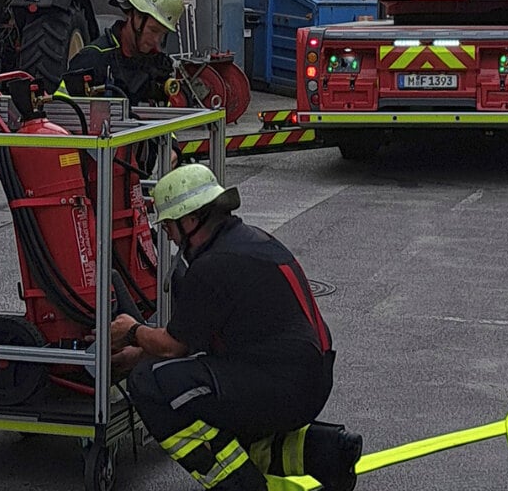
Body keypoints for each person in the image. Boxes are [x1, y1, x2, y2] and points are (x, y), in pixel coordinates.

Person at [109, 164, 362, 491]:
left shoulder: (212, 266)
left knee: (152, 383)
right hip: (308, 378)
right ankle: (329, 453)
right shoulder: (248, 241)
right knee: (214, 413)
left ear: (190, 220)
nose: (168, 235)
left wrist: (132, 331)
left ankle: (241, 487)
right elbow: (200, 338)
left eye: (169, 225)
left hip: (283, 388)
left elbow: (174, 346)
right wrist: (143, 350)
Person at [59, 0, 183, 104]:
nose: (156, 40)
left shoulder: (158, 65)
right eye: (153, 30)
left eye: (163, 34)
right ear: (135, 16)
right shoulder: (93, 59)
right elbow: (65, 109)